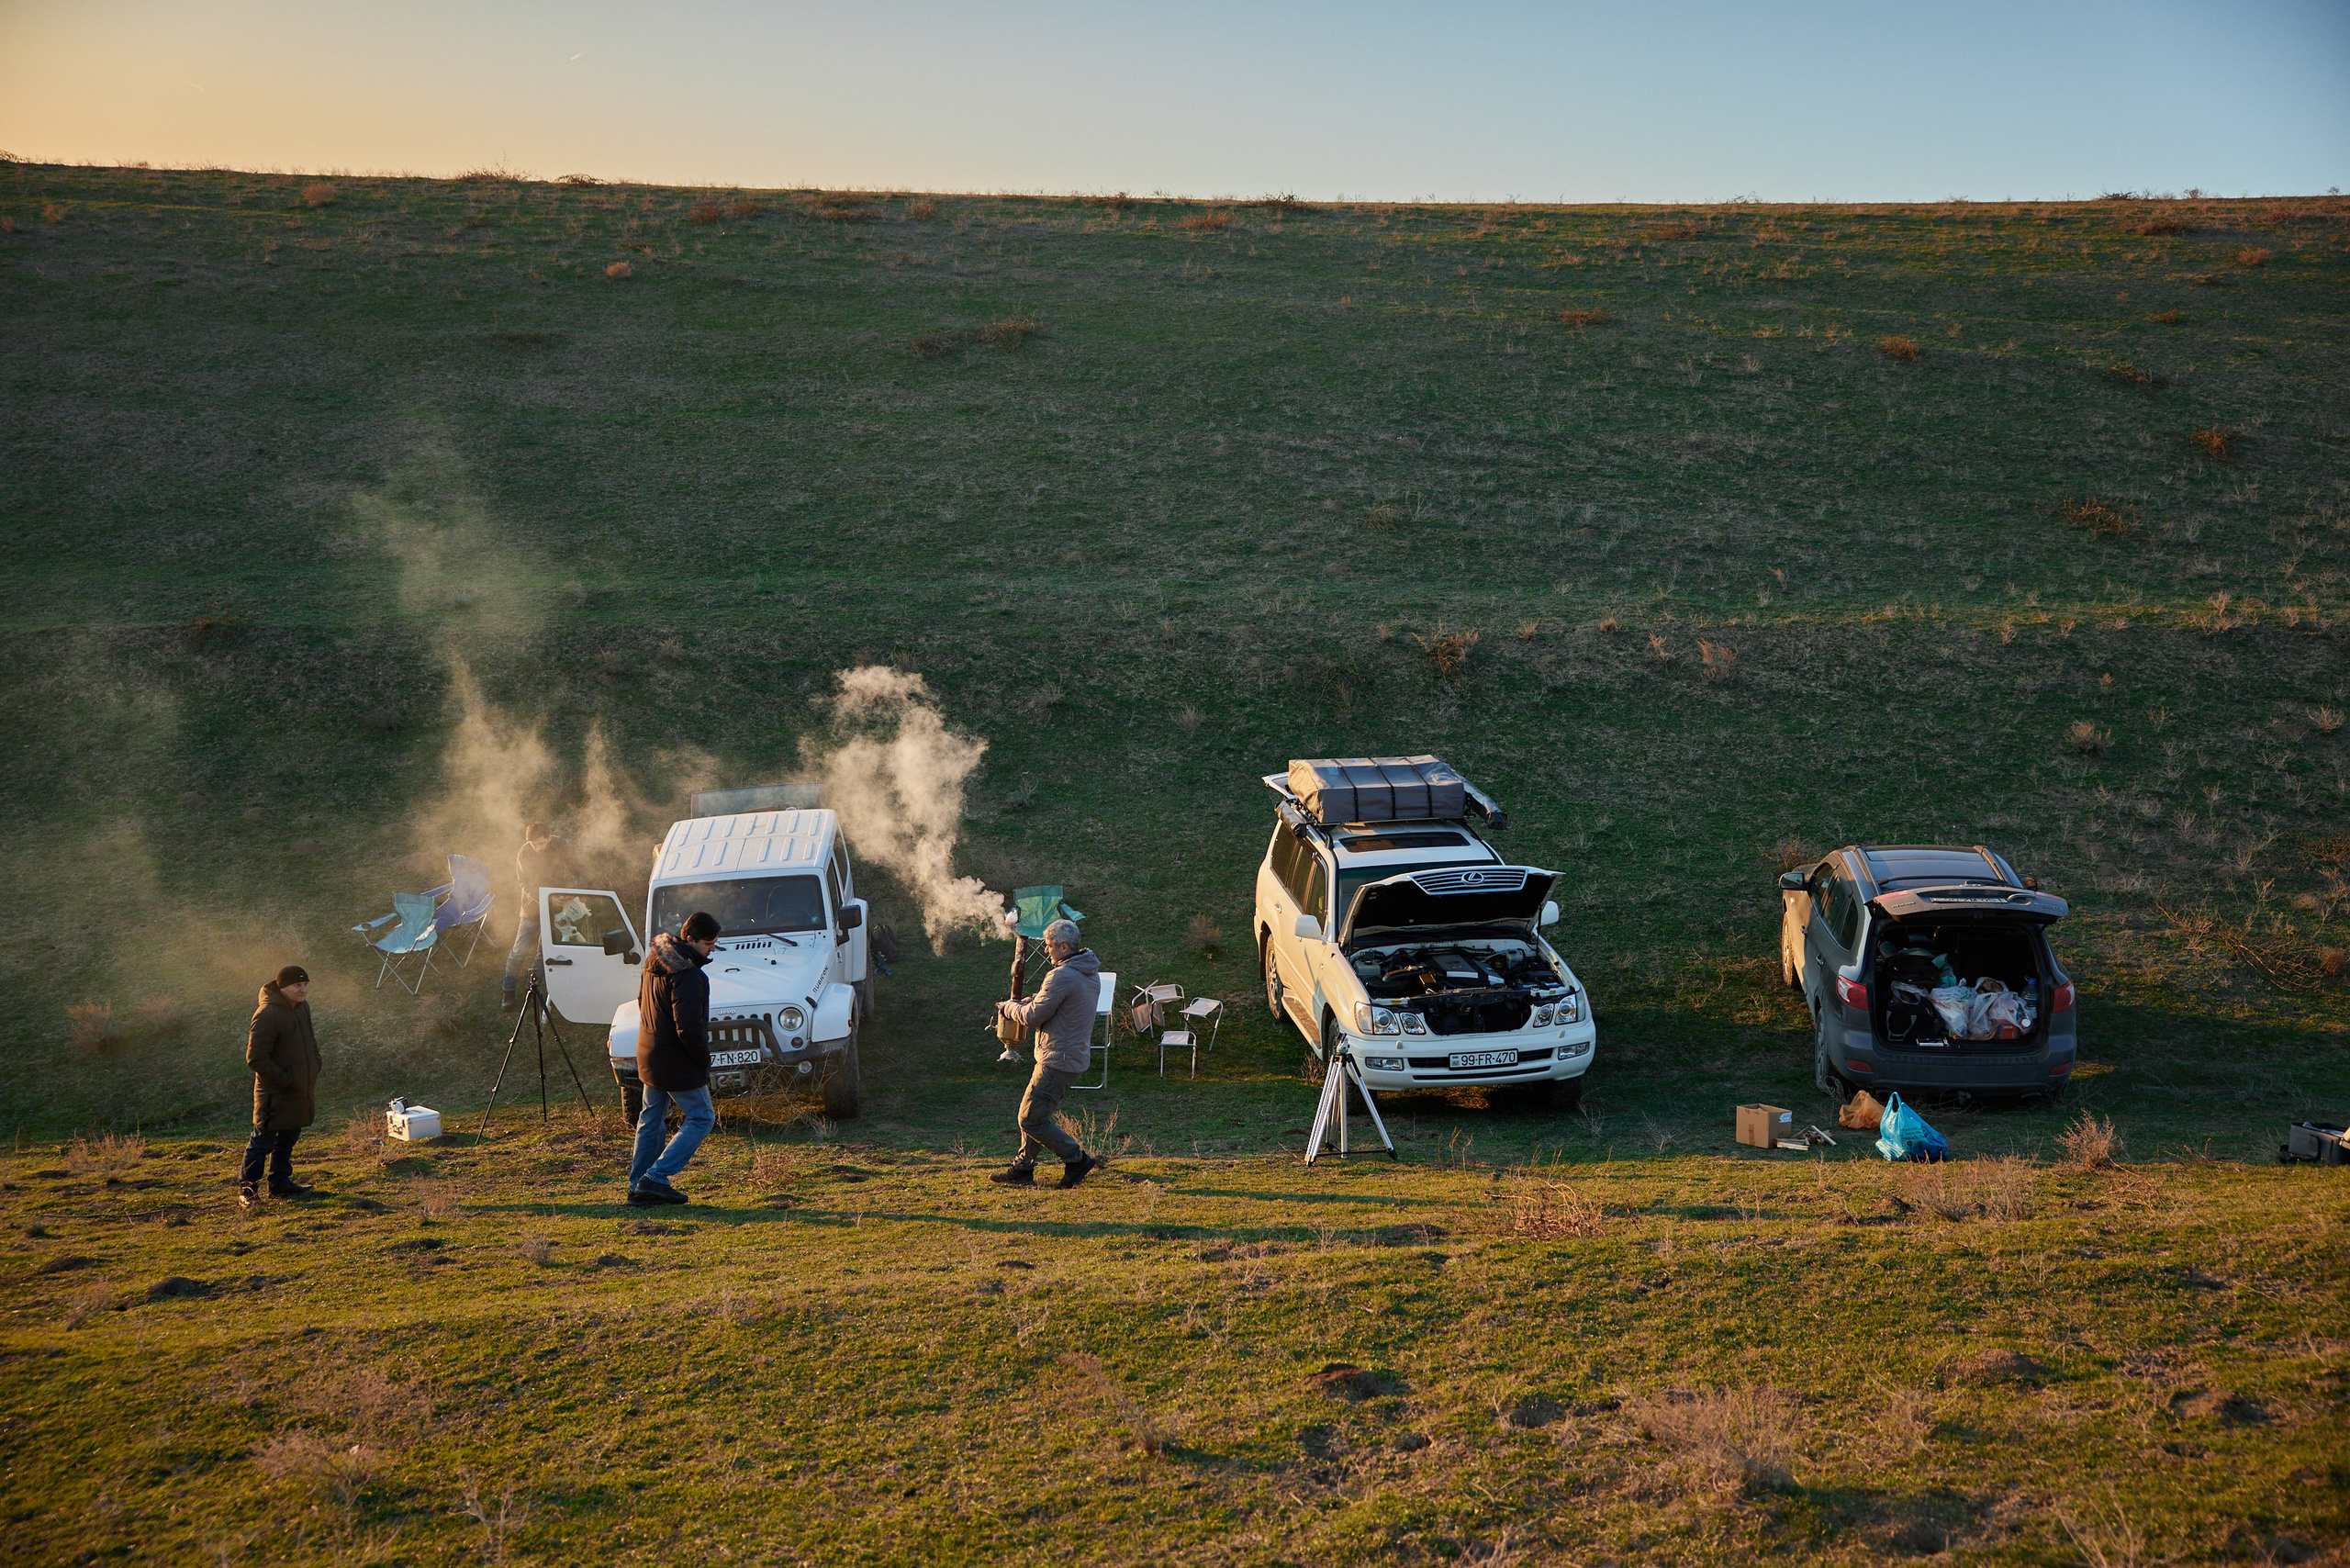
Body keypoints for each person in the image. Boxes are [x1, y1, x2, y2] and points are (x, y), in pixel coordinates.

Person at [990, 919, 1101, 1189]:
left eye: (1050, 946)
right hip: (1069, 1057)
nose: (1047, 951)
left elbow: (1035, 1016)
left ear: (1064, 947)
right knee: (1036, 1115)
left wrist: (1009, 1008)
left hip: (1057, 1060)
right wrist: (1032, 1000)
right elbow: (1056, 1006)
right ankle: (1023, 1169)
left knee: (1029, 1118)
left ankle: (1076, 1160)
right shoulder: (1086, 972)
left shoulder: (1062, 975)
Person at [628, 911, 720, 1206]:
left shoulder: (653, 963)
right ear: (690, 940)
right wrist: (703, 1063)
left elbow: (643, 1004)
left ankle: (638, 1185)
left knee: (651, 1118)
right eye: (708, 943)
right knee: (703, 1117)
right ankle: (655, 1178)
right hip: (675, 1059)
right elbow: (690, 1029)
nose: (712, 949)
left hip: (649, 1052)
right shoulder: (688, 976)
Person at [241, 964, 322, 1214]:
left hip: (298, 1089)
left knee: (288, 1138)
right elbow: (255, 1058)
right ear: (283, 987)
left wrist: (315, 1064)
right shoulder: (266, 1014)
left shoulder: (302, 1008)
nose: (303, 990)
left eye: (306, 985)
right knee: (262, 1142)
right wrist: (286, 1080)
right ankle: (248, 1192)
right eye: (298, 986)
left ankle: (280, 1183)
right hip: (274, 1093)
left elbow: (310, 1041)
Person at [503, 821, 576, 1011]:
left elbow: (579, 869)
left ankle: (531, 987)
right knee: (519, 951)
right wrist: (547, 899)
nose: (537, 848)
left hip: (556, 909)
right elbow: (524, 883)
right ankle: (508, 991)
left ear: (550, 838)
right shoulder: (525, 852)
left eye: (541, 843)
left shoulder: (562, 846)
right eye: (534, 844)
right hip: (531, 910)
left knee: (544, 951)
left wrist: (574, 892)